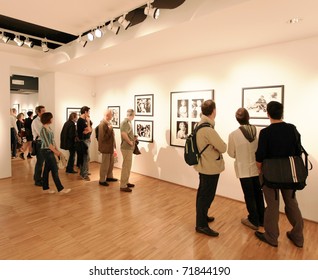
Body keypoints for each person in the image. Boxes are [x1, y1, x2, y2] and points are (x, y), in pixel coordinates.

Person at [255, 101, 304, 248]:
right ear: (282, 113)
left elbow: (260, 157)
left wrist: (260, 170)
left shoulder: (265, 133)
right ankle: (298, 236)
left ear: (268, 114)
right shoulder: (292, 129)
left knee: (272, 206)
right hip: (290, 174)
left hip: (270, 175)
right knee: (291, 203)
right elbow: (298, 152)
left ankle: (271, 237)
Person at [194, 99, 227, 237]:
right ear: (213, 111)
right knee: (207, 195)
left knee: (202, 193)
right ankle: (201, 225)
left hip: (203, 165)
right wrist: (216, 146)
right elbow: (223, 147)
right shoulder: (208, 130)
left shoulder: (199, 125)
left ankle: (203, 217)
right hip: (210, 167)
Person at [227, 108, 264, 230]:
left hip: (243, 169)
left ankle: (253, 220)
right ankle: (261, 218)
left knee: (249, 195)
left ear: (237, 119)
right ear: (248, 117)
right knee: (258, 193)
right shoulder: (258, 131)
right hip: (257, 168)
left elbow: (231, 153)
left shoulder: (233, 135)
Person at [40, 112, 71, 194]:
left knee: (47, 169)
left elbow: (53, 141)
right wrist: (56, 152)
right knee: (55, 169)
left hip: (50, 150)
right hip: (46, 151)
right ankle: (60, 189)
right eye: (51, 118)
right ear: (48, 119)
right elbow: (48, 144)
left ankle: (45, 188)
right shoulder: (43, 130)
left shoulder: (49, 128)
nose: (52, 119)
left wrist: (58, 150)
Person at [97, 109, 118, 186]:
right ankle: (102, 179)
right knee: (105, 164)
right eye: (111, 114)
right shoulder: (102, 124)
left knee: (111, 163)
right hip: (106, 148)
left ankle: (109, 177)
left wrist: (114, 146)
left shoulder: (107, 123)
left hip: (110, 147)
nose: (112, 116)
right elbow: (103, 137)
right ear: (107, 115)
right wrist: (110, 129)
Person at [119, 109, 136, 192]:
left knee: (128, 165)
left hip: (128, 147)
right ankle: (123, 185)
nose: (134, 117)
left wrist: (133, 138)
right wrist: (130, 142)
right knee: (126, 166)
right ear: (131, 115)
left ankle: (126, 182)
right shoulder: (125, 123)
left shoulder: (129, 122)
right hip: (126, 147)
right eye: (134, 115)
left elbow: (127, 133)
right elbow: (123, 134)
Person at [31, 105, 46, 186]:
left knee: (41, 162)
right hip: (39, 143)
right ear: (38, 112)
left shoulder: (42, 120)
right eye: (43, 111)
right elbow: (41, 133)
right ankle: (37, 180)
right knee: (40, 162)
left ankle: (37, 177)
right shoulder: (36, 121)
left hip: (42, 142)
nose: (45, 112)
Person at [77, 106, 92, 181]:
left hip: (86, 140)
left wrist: (88, 130)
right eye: (88, 112)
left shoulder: (84, 120)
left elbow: (90, 130)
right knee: (85, 158)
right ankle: (84, 174)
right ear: (85, 112)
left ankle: (84, 172)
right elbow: (89, 129)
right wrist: (88, 122)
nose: (89, 113)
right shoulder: (81, 121)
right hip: (83, 141)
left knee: (86, 158)